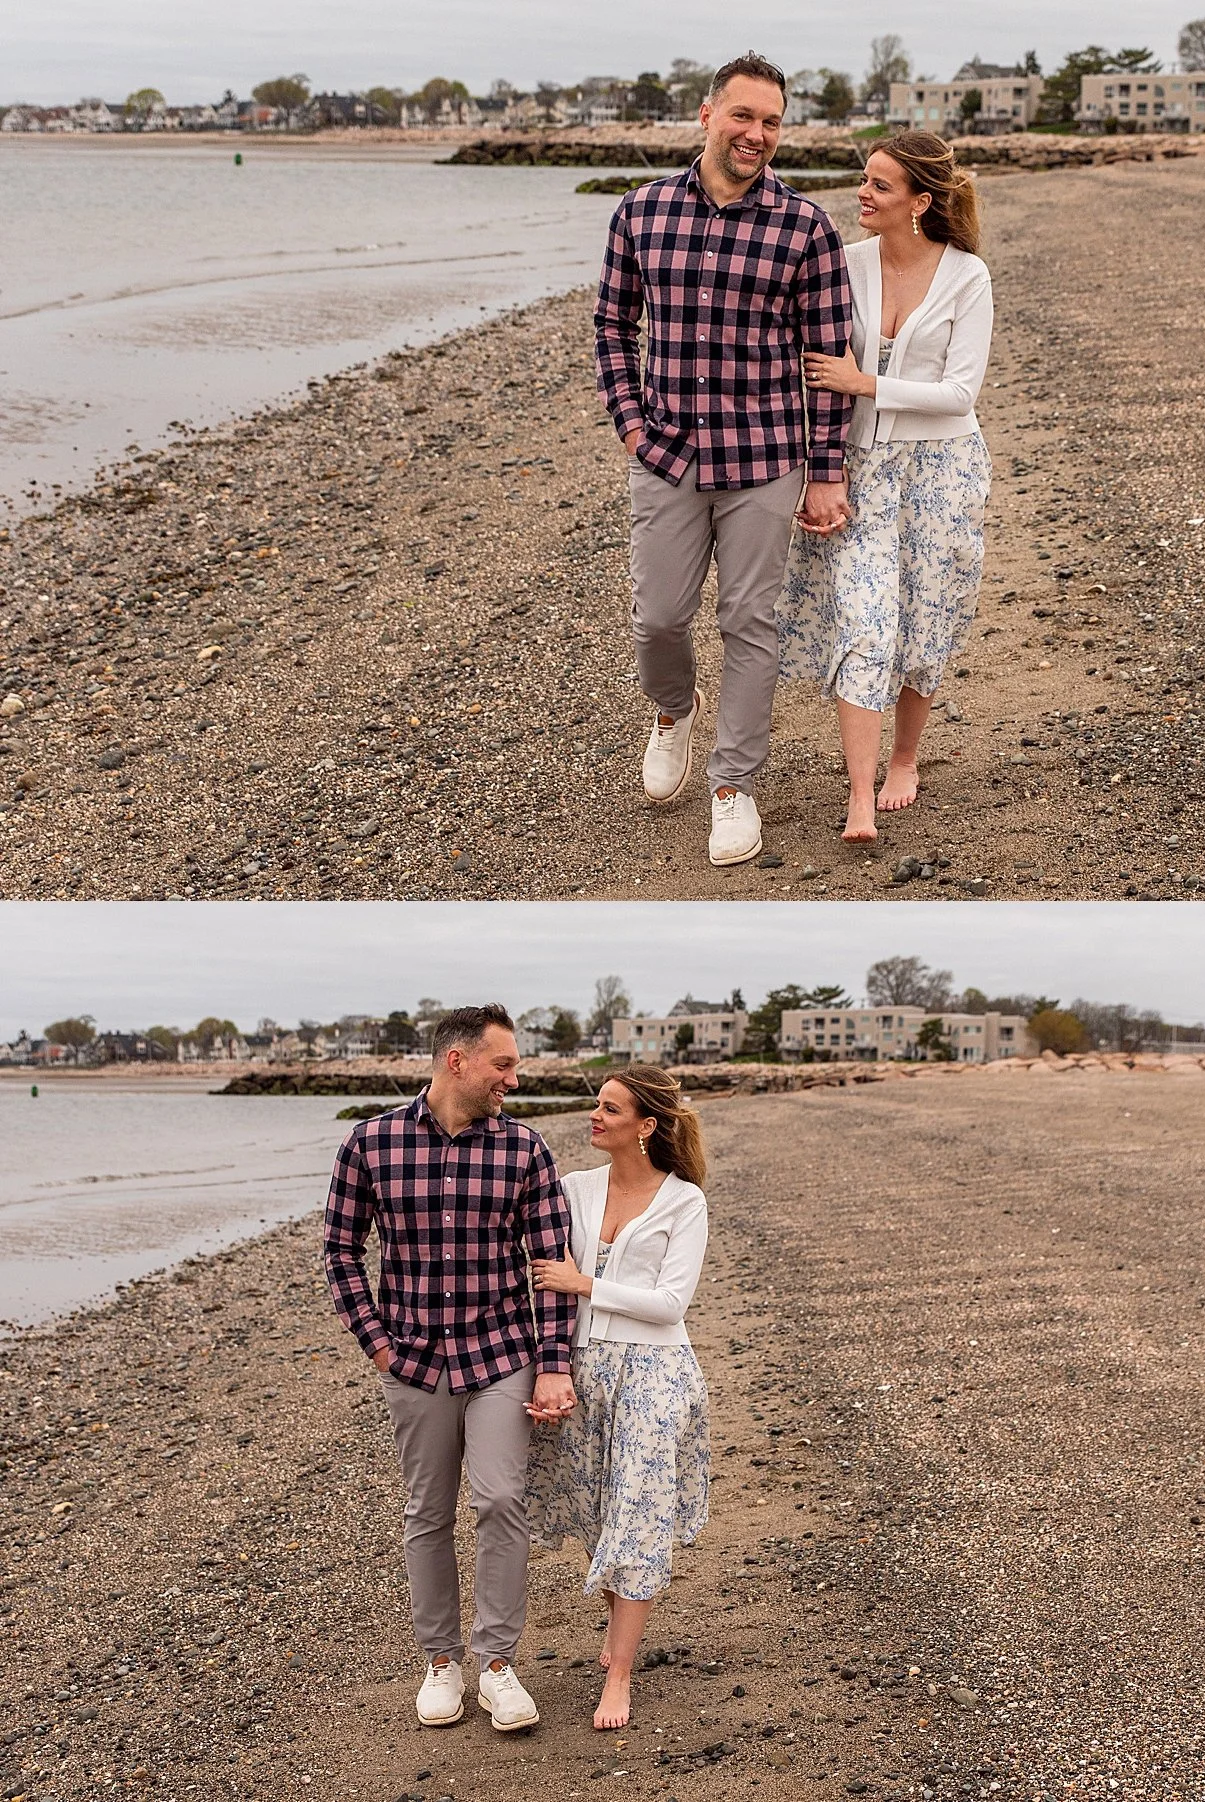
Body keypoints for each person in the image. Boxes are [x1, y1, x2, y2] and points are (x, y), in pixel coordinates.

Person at [595, 50, 854, 869]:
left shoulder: (805, 225)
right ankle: (674, 709)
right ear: (707, 116)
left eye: (773, 122)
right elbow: (611, 328)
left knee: (751, 623)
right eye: (743, 116)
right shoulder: (640, 213)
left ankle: (734, 786)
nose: (758, 135)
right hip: (665, 453)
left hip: (766, 457)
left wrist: (826, 466)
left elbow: (829, 356)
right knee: (659, 618)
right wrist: (633, 427)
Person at [322, 1005, 578, 1735]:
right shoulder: (370, 1143)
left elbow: (553, 1270)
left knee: (501, 1501)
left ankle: (496, 1664)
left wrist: (553, 1366)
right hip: (413, 1362)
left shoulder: (524, 1150)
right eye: (504, 1065)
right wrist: (378, 1345)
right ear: (456, 1061)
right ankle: (441, 1662)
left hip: (501, 1357)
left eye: (516, 1066)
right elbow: (341, 1252)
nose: (515, 1078)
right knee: (426, 1514)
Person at [777, 131, 994, 844]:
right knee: (867, 623)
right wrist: (819, 467)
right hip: (863, 470)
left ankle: (907, 757)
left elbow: (961, 393)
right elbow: (812, 361)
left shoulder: (968, 276)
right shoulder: (843, 264)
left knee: (925, 619)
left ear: (919, 202)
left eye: (879, 185)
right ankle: (861, 796)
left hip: (944, 469)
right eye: (862, 180)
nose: (861, 194)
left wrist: (865, 382)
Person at [526, 1067, 710, 1731]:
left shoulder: (683, 1201)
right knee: (599, 1513)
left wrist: (584, 1285)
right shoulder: (572, 1190)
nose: (594, 1117)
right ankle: (617, 1626)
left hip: (656, 1373)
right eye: (596, 1105)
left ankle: (622, 1674)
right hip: (582, 1368)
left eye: (610, 1108)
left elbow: (670, 1305)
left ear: (647, 1125)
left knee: (636, 1515)